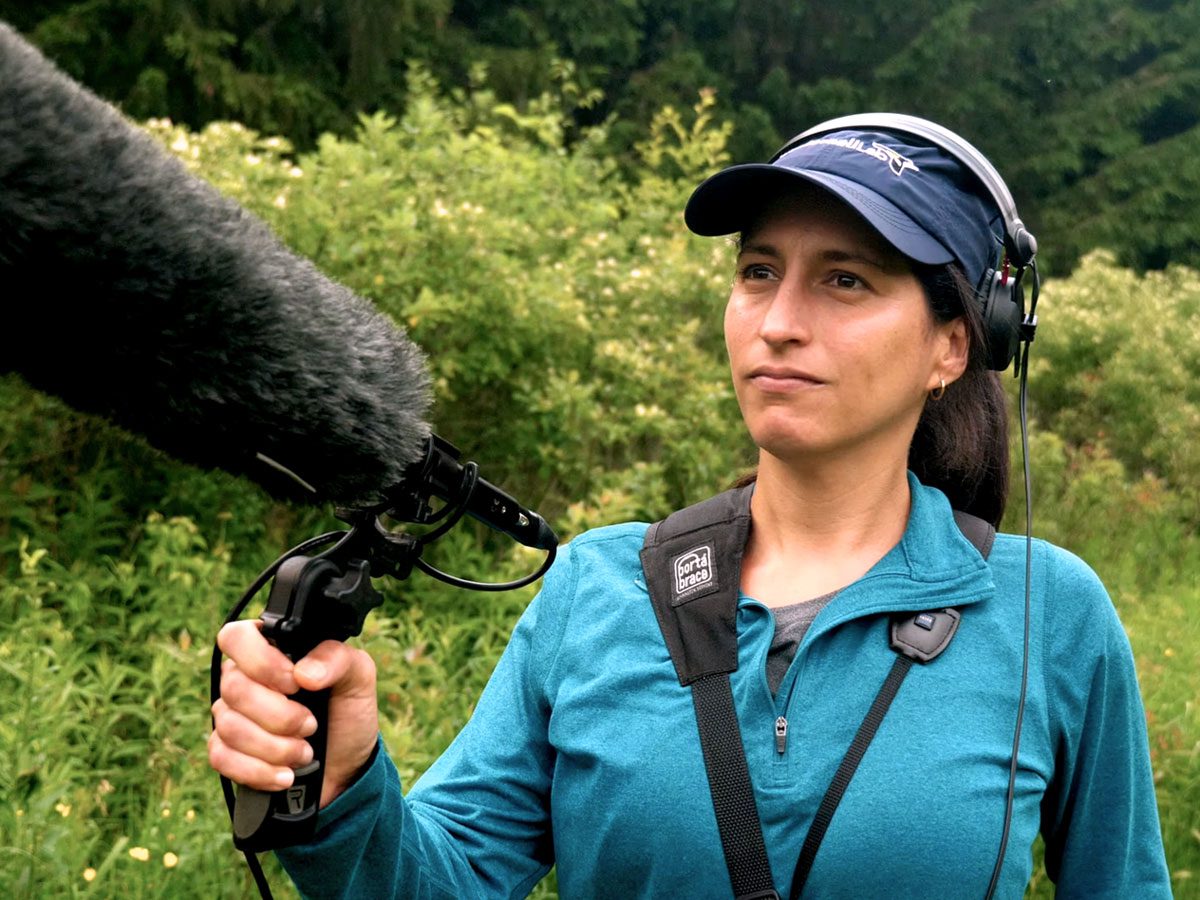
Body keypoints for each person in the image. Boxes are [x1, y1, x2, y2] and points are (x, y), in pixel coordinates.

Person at [209, 115, 1172, 898]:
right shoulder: (600, 588)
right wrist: (346, 787)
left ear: (955, 345)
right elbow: (443, 881)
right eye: (759, 272)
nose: (779, 322)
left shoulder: (1051, 615)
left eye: (845, 280)